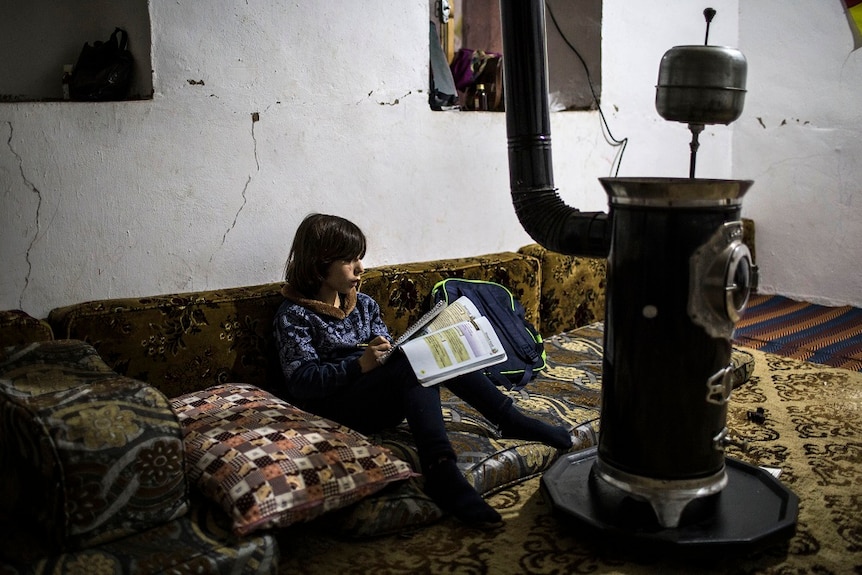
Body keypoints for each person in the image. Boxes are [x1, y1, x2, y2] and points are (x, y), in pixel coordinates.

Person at [273, 213, 573, 526]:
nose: (360, 268)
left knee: (429, 351)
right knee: (412, 363)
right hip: (336, 409)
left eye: (359, 258)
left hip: (381, 399)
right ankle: (440, 469)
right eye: (349, 260)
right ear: (320, 265)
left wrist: (385, 348)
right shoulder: (294, 315)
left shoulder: (363, 304)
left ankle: (510, 419)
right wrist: (358, 365)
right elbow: (301, 383)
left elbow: (385, 351)